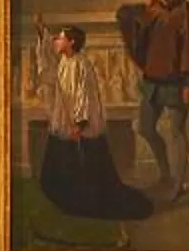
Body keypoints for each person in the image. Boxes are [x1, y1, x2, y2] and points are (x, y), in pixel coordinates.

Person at [34, 26, 152, 227]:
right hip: (65, 120)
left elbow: (85, 96)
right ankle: (64, 199)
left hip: (81, 125)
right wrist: (41, 35)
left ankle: (82, 203)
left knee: (86, 169)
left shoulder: (82, 64)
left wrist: (80, 124)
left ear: (71, 42)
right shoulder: (64, 61)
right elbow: (47, 69)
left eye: (60, 38)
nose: (56, 41)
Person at [117, 0, 189, 199]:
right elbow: (133, 29)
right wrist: (147, 5)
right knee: (145, 128)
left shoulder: (185, 12)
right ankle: (166, 175)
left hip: (177, 81)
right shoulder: (152, 12)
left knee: (176, 132)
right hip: (153, 82)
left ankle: (178, 183)